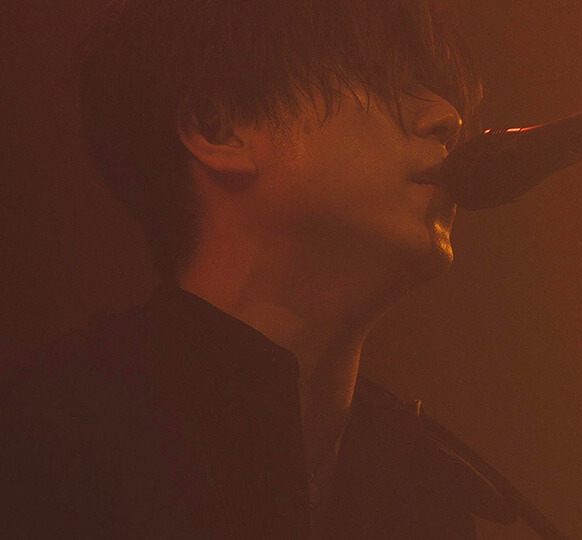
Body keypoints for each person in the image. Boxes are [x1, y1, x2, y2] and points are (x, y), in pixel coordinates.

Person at [0, 0, 547, 537]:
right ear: (220, 129)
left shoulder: (426, 496)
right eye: (387, 76)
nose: (448, 117)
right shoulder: (41, 438)